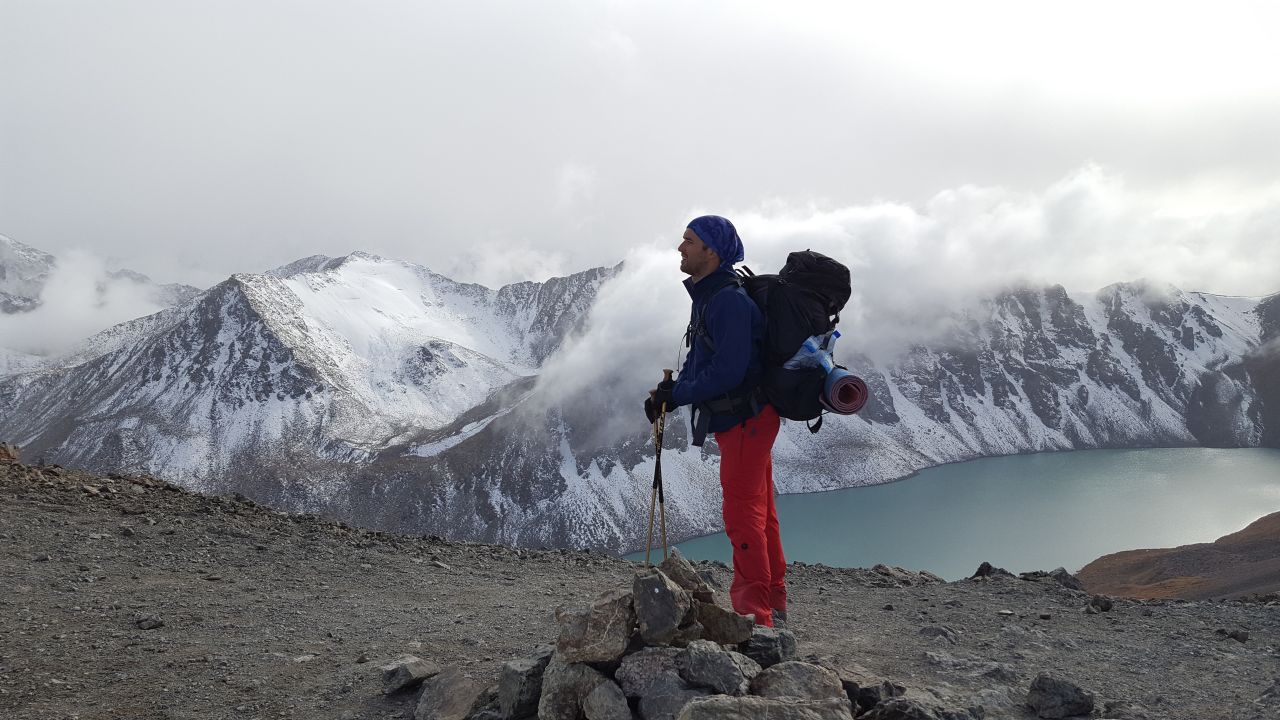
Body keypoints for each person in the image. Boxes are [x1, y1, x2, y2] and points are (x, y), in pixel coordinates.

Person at [645, 215, 787, 628]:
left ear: (711, 251)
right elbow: (703, 358)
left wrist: (679, 395)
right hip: (748, 419)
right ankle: (772, 602)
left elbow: (728, 371)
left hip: (744, 420)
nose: (680, 248)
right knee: (761, 513)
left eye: (689, 241)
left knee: (743, 516)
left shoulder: (726, 301)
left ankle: (754, 617)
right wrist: (668, 394)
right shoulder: (710, 295)